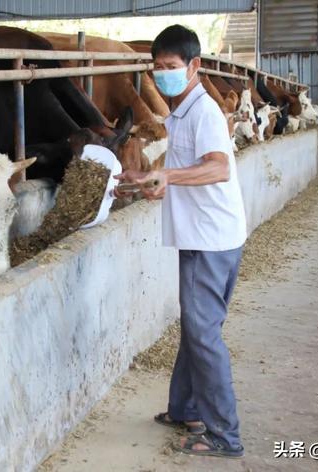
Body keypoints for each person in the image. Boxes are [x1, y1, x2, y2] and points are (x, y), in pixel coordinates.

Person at [114, 24, 247, 458]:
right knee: (197, 327)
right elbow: (185, 175)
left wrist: (167, 176)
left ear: (195, 66)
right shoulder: (181, 112)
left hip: (209, 240)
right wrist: (141, 182)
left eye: (172, 67)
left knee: (203, 333)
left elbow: (218, 168)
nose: (164, 75)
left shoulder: (205, 112)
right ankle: (184, 408)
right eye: (158, 69)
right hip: (212, 234)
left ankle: (225, 435)